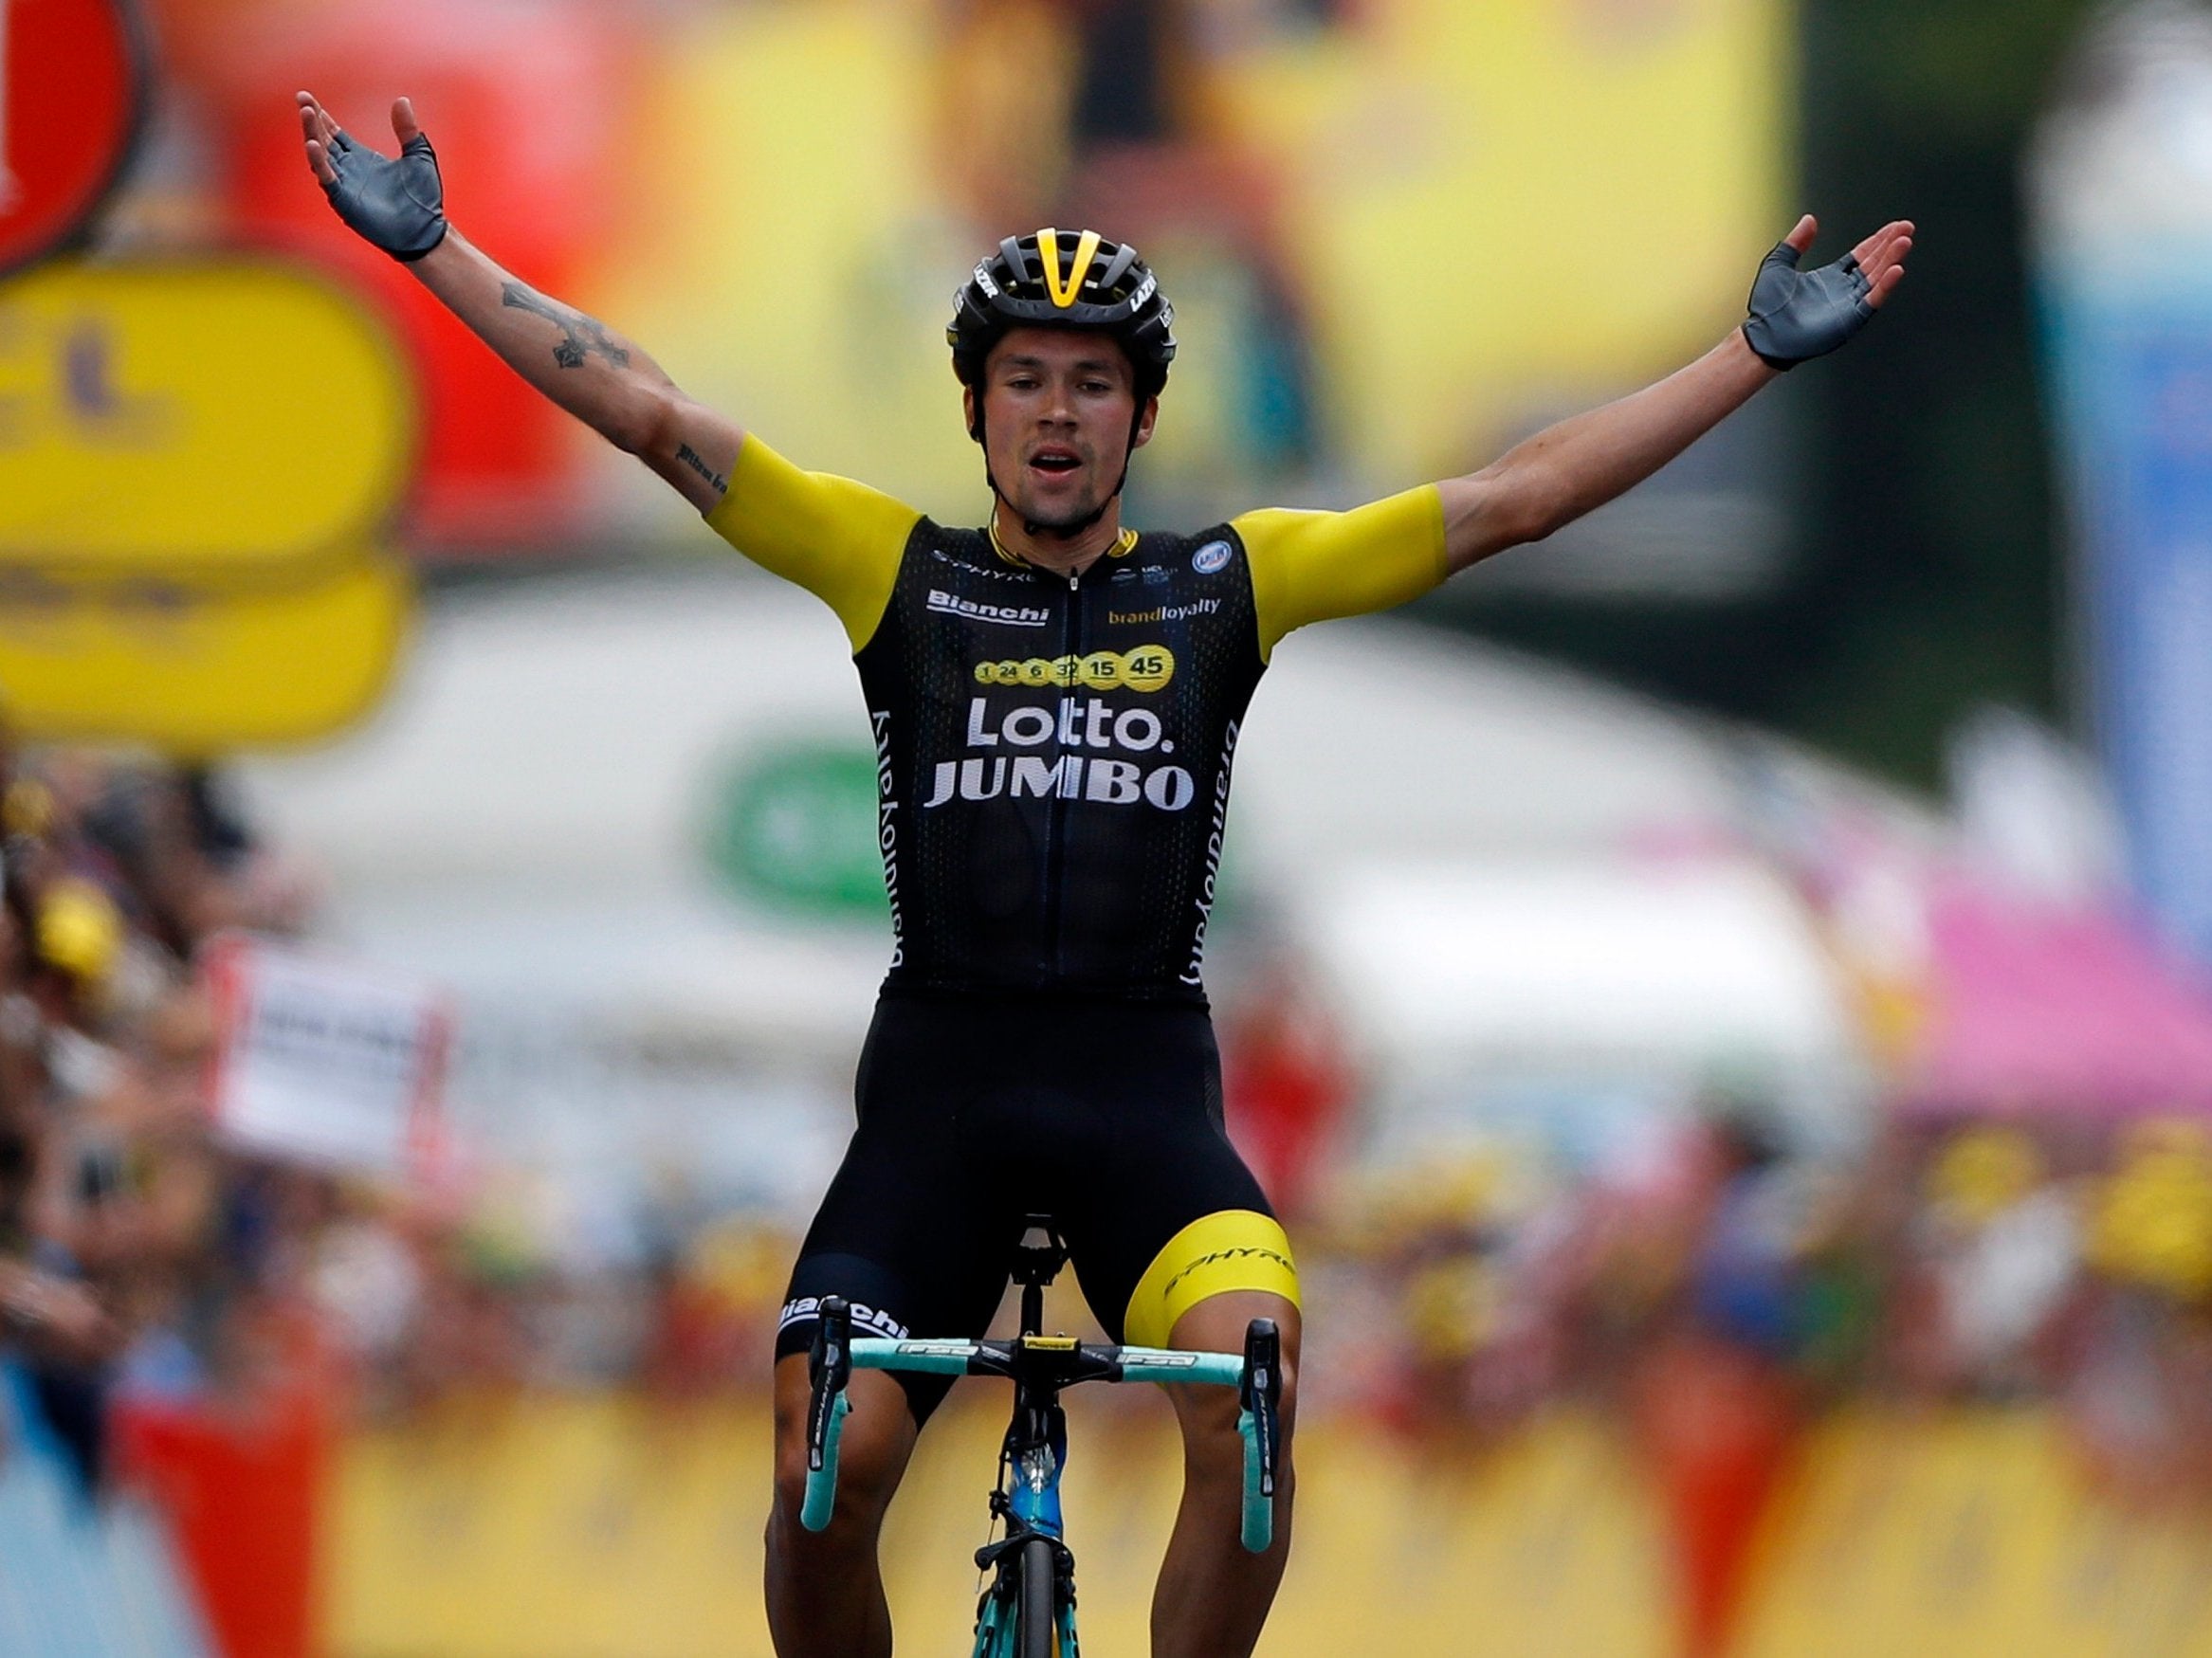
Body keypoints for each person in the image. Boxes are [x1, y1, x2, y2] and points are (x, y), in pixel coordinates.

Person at [296, 89, 1911, 1658]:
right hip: (935, 1114)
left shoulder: (1232, 583)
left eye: (1088, 382)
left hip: (1148, 1111)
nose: (1055, 411)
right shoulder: (891, 569)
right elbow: (649, 411)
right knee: (822, 1466)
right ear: (977, 408)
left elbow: (1514, 499)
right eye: (1022, 380)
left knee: (1260, 1395)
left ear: (1140, 415)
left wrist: (1745, 355)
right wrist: (437, 248)